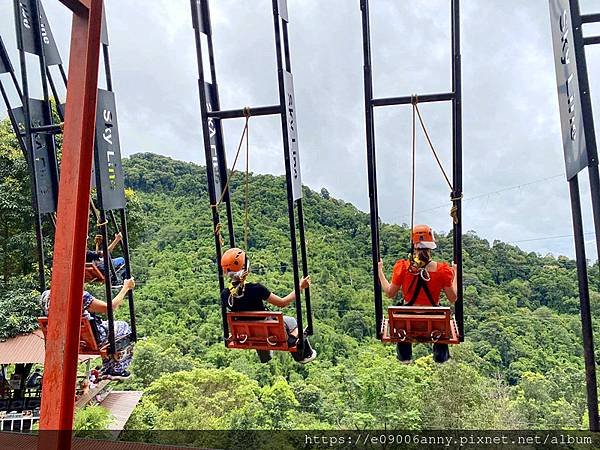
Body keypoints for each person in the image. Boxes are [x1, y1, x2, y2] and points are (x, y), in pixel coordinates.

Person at [220, 248, 317, 364]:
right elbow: (282, 303)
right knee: (291, 321)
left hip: (247, 334)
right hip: (268, 330)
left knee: (254, 328)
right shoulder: (256, 289)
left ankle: (264, 355)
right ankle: (303, 355)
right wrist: (300, 287)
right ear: (245, 268)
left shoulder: (225, 294)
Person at [378, 225, 457, 364]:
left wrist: (380, 272)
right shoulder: (442, 270)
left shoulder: (404, 267)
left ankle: (404, 354)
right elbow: (453, 298)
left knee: (402, 318)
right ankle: (441, 354)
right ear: (431, 246)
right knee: (440, 319)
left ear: (413, 246)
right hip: (433, 321)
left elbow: (390, 293)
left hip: (407, 319)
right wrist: (455, 274)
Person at [40, 279, 135, 380]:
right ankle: (117, 369)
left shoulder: (46, 296)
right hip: (92, 337)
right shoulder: (79, 296)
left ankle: (108, 367)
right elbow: (109, 307)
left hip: (67, 338)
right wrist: (126, 287)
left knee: (105, 325)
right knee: (123, 326)